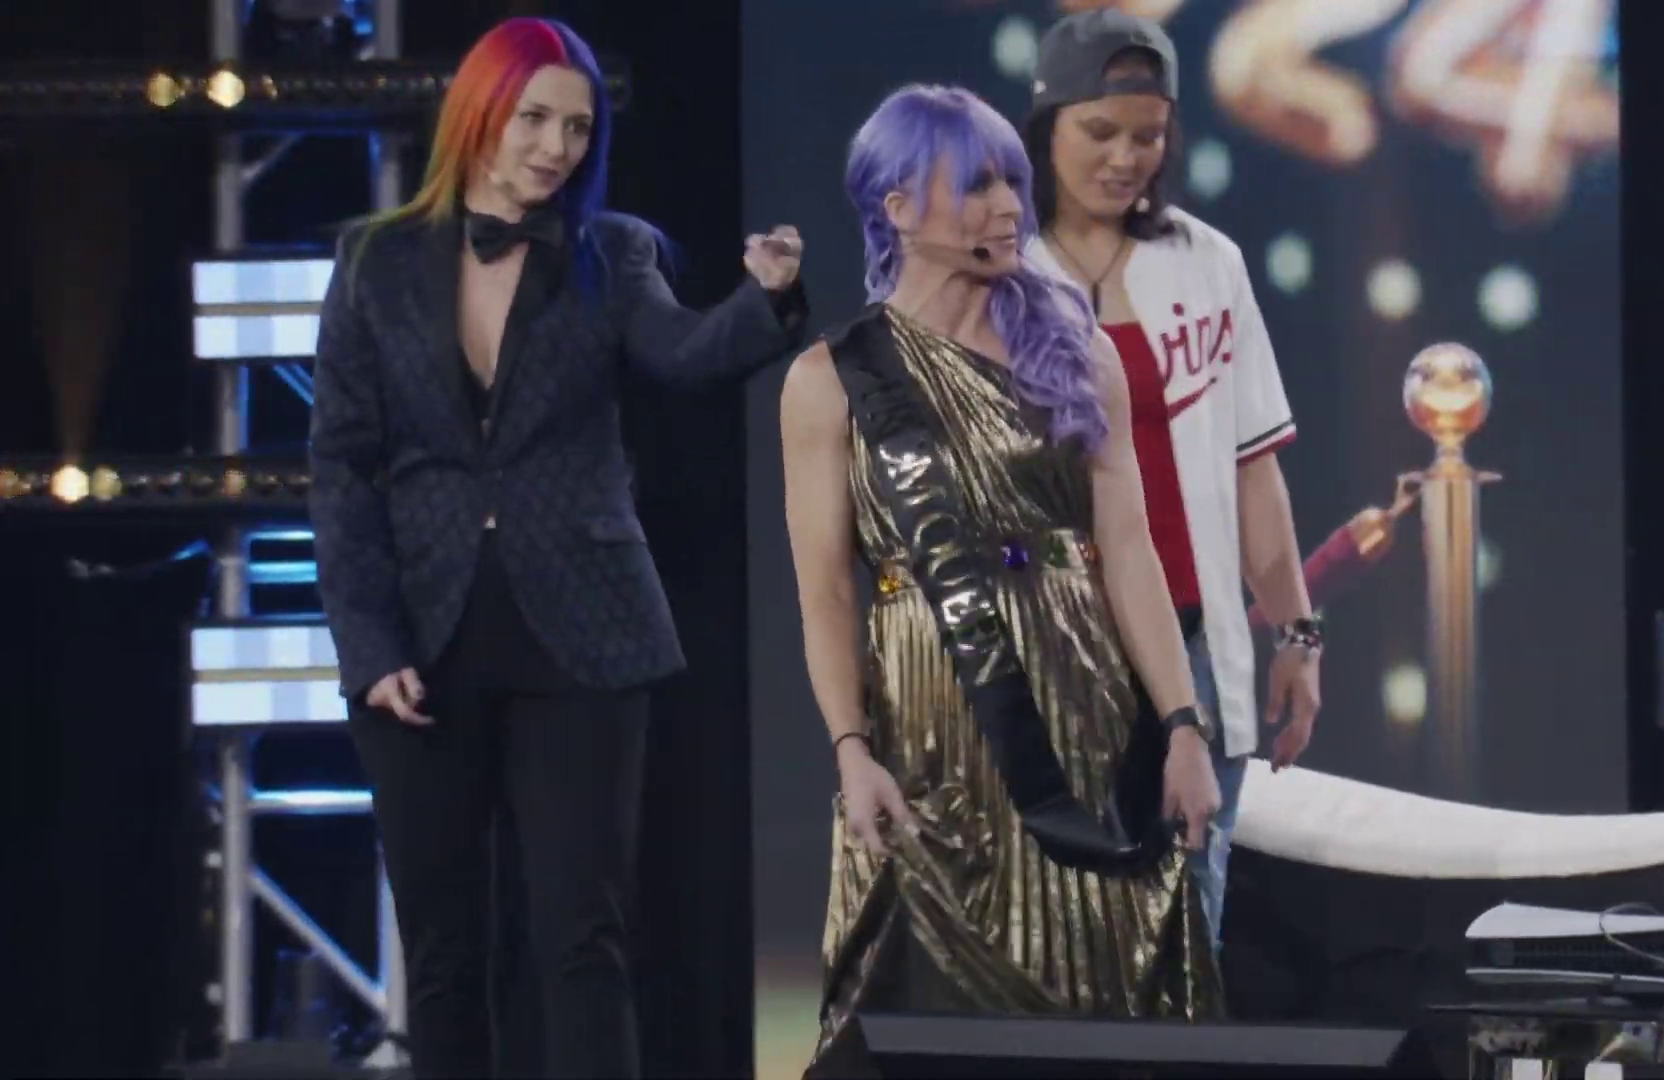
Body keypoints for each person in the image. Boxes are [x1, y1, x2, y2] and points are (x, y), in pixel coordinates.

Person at [308, 17, 806, 1079]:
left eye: (578, 128)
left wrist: (765, 301)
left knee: (585, 939)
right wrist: (369, 644)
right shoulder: (373, 261)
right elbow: (341, 470)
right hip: (422, 642)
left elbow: (684, 355)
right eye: (534, 118)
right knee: (444, 950)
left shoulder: (612, 252)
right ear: (479, 111)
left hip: (585, 631)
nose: (556, 147)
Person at [780, 83, 1223, 1076]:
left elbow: (1131, 551)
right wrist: (851, 751)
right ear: (898, 206)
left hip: (1085, 724)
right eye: (977, 186)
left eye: (1013, 184)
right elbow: (826, 592)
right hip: (926, 735)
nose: (1008, 208)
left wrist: (1183, 727)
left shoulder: (1076, 352)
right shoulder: (829, 380)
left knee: (1108, 1003)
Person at [1020, 9, 1320, 950]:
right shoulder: (997, 273)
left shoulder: (1207, 262)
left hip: (1194, 643)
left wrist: (1298, 634)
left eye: (1147, 136)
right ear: (1047, 127)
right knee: (1059, 933)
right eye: (1100, 131)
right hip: (1049, 643)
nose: (1125, 158)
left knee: (1190, 924)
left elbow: (1253, 470)